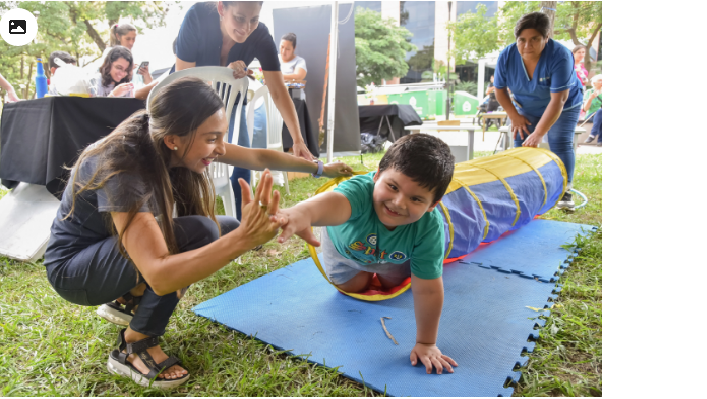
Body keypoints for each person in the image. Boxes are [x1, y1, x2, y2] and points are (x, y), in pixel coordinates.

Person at [43, 77, 352, 388]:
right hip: (74, 272)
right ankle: (135, 345)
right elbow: (161, 275)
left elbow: (257, 157)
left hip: (110, 252)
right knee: (205, 232)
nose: (219, 148)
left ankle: (129, 296)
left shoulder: (163, 133)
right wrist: (245, 239)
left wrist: (321, 169)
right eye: (212, 138)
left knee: (224, 228)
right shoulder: (125, 167)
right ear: (174, 138)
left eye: (222, 137)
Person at [275, 134, 459, 375]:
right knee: (355, 286)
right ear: (378, 175)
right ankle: (362, 272)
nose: (398, 203)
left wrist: (426, 342)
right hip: (345, 253)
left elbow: (428, 288)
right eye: (392, 187)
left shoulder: (430, 227)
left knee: (393, 284)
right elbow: (331, 203)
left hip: (392, 258)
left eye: (416, 198)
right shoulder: (359, 193)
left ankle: (380, 271)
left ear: (433, 204)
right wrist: (301, 214)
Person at [174, 1, 314, 220]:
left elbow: (277, 90)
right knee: (185, 163)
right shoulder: (198, 16)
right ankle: (187, 220)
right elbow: (183, 78)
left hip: (231, 103)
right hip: (189, 102)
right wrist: (222, 76)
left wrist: (298, 139)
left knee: (242, 159)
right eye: (239, 18)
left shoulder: (260, 35)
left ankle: (244, 222)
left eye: (254, 19)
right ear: (221, 8)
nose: (247, 27)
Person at [493, 12, 583, 211]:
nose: (527, 46)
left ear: (546, 38)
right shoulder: (507, 55)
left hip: (563, 104)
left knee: (559, 141)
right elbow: (499, 91)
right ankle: (521, 189)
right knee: (521, 140)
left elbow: (558, 100)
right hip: (526, 105)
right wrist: (515, 116)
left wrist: (540, 132)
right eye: (522, 40)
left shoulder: (560, 55)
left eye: (535, 39)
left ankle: (564, 191)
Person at [583, 74, 602, 145]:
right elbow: (585, 109)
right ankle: (600, 140)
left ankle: (593, 135)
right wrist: (590, 99)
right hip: (591, 115)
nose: (602, 82)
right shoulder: (589, 92)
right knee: (601, 112)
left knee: (601, 112)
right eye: (600, 80)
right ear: (594, 83)